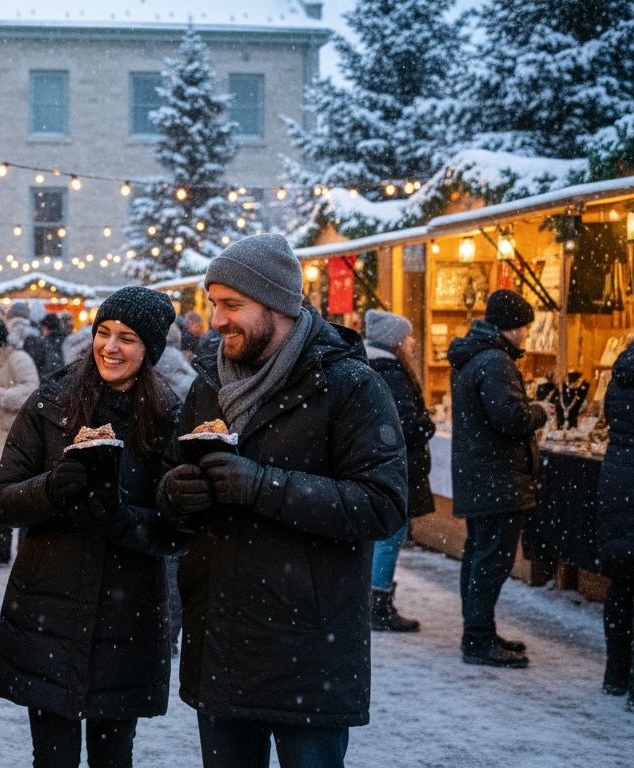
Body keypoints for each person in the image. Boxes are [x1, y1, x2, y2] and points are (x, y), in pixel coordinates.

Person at [157, 234, 407, 768]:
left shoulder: (350, 386)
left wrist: (262, 485)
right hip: (220, 642)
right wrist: (177, 493)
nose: (216, 319)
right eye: (213, 303)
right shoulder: (208, 386)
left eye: (231, 305)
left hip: (308, 650)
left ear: (276, 306)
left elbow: (382, 504)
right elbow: (169, 482)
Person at [0, 286, 191, 768]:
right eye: (103, 333)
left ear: (151, 350)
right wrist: (53, 488)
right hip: (48, 606)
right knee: (52, 758)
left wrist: (124, 521)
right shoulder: (50, 402)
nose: (110, 347)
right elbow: (3, 500)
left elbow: (176, 531)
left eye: (127, 338)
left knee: (113, 757)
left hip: (129, 614)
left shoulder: (167, 417)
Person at [448, 289, 549, 668]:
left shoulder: (476, 356)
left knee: (479, 557)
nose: (525, 333)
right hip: (497, 478)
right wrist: (537, 411)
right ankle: (477, 639)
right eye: (523, 326)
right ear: (509, 327)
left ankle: (479, 630)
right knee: (490, 561)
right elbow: (509, 418)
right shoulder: (495, 361)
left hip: (482, 476)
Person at [363, 309, 437, 632]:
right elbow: (402, 424)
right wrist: (426, 424)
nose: (411, 342)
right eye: (406, 337)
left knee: (385, 533)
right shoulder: (390, 370)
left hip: (383, 463)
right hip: (397, 464)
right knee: (391, 533)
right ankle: (377, 602)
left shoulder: (374, 364)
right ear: (394, 341)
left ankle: (373, 599)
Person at [0, 316, 39, 565]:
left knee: (22, 500)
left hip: (19, 439)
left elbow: (32, 389)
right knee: (0, 499)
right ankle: (1, 550)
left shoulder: (19, 358)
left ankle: (25, 553)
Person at [597, 339, 634, 706]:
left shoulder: (622, 371)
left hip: (617, 478)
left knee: (622, 584)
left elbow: (611, 416)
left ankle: (615, 673)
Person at [155, 324, 197, 400]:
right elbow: (192, 373)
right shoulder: (174, 354)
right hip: (181, 394)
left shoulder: (155, 354)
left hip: (163, 395)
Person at [30, 313, 70, 379]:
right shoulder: (66, 339)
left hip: (49, 380)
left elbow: (44, 365)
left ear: (46, 327)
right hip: (65, 379)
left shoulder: (43, 342)